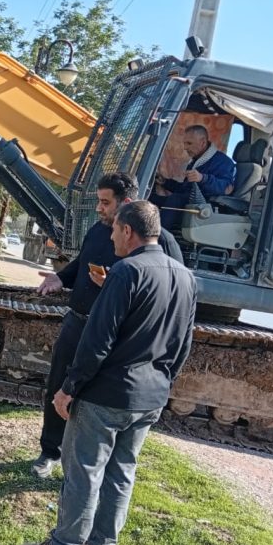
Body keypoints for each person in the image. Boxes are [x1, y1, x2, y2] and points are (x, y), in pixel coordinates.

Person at [21, 201, 196, 545]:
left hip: (107, 394)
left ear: (129, 231)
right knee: (121, 473)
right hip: (150, 396)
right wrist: (164, 383)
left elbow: (97, 341)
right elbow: (183, 344)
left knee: (84, 470)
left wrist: (68, 388)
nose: (110, 235)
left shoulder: (126, 272)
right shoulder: (185, 277)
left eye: (115, 228)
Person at [32, 172, 183, 478]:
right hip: (78, 323)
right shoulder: (99, 230)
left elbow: (170, 287)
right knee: (58, 385)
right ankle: (50, 451)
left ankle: (87, 465)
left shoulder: (162, 242)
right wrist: (60, 277)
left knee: (93, 399)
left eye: (105, 202)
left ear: (126, 203)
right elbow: (81, 262)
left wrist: (114, 281)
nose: (99, 209)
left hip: (115, 335)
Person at [149, 124, 236, 229]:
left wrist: (203, 178)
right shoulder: (196, 161)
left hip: (206, 206)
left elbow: (226, 188)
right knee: (150, 198)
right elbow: (185, 189)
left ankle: (157, 237)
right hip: (188, 201)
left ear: (203, 142)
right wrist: (165, 182)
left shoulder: (223, 162)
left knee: (175, 199)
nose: (185, 148)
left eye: (189, 143)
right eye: (185, 144)